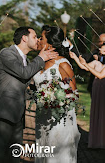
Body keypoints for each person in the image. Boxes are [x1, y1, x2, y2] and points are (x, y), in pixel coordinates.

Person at [0, 26, 58, 163]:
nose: (37, 39)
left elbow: (23, 83)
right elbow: (24, 73)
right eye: (34, 36)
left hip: (18, 117)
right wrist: (41, 58)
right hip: (3, 115)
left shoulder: (26, 59)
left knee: (14, 158)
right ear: (24, 38)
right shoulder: (6, 53)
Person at [33, 25, 81, 162]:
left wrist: (56, 98)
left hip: (59, 117)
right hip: (42, 114)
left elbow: (74, 93)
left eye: (41, 38)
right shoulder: (39, 62)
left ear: (49, 42)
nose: (38, 40)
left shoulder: (62, 64)